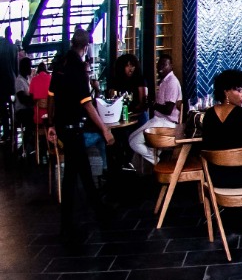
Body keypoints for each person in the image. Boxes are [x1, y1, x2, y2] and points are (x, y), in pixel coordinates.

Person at [48, 29, 113, 243]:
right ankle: (80, 218)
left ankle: (88, 215)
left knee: (78, 172)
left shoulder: (60, 64)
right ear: (86, 47)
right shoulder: (78, 68)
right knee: (76, 174)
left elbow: (51, 96)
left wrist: (51, 124)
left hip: (62, 126)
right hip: (74, 126)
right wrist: (104, 129)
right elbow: (87, 104)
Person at [201, 69, 242, 232]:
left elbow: (206, 146)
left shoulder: (208, 115)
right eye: (238, 90)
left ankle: (240, 212)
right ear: (225, 91)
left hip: (218, 178)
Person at [128, 53, 183, 164]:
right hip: (159, 120)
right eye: (159, 64)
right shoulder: (165, 81)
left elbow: (168, 110)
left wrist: (153, 104)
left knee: (134, 142)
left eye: (164, 65)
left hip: (167, 123)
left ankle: (158, 162)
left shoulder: (172, 82)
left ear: (171, 66)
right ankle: (156, 158)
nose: (160, 67)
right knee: (131, 138)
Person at [14, 57, 33, 155]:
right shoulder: (19, 81)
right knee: (32, 117)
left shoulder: (28, 79)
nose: (31, 69)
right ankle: (25, 145)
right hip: (21, 111)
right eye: (29, 67)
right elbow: (22, 98)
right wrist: (33, 99)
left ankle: (32, 143)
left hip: (28, 109)